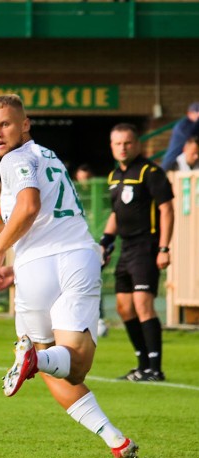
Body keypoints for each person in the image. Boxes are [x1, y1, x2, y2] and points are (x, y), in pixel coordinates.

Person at [0, 94, 138, 458]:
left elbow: (29, 206)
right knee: (74, 362)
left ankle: (38, 362)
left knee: (56, 364)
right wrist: (13, 269)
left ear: (25, 124)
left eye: (5, 124)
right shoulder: (46, 155)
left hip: (40, 267)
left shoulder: (14, 160)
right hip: (77, 258)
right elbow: (48, 219)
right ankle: (116, 439)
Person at [101, 123, 173, 382]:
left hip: (147, 246)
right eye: (118, 143)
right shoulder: (114, 177)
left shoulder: (150, 172)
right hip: (126, 248)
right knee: (124, 307)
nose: (123, 148)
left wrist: (164, 248)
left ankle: (155, 368)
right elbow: (115, 214)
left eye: (128, 143)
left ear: (137, 144)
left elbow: (166, 209)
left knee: (143, 304)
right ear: (112, 146)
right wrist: (105, 242)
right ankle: (142, 365)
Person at [72, 164, 108, 338]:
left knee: (94, 279)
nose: (84, 184)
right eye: (81, 180)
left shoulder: (99, 196)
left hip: (95, 244)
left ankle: (98, 318)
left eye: (87, 180)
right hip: (75, 245)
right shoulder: (73, 195)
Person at [160, 102, 199, 171]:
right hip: (172, 163)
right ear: (189, 113)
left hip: (184, 163)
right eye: (197, 113)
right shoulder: (183, 125)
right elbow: (190, 136)